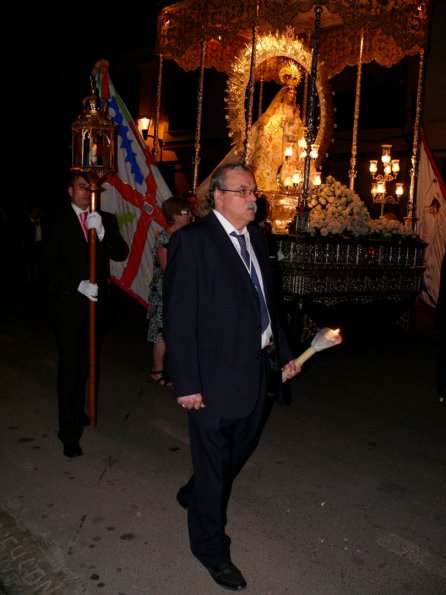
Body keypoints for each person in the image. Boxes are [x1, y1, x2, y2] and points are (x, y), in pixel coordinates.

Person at [163, 162, 300, 591]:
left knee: (238, 449)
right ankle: (210, 548)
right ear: (218, 197)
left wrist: (285, 353)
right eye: (243, 191)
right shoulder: (193, 241)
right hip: (213, 377)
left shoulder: (255, 238)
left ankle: (196, 488)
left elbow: (266, 303)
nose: (252, 197)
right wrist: (186, 382)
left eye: (254, 191)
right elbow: (180, 316)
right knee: (213, 467)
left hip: (257, 370)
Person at [41, 171, 129, 458]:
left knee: (87, 364)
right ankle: (68, 433)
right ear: (70, 191)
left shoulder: (105, 218)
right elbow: (47, 265)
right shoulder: (56, 219)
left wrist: (102, 232)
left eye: (92, 188)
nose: (87, 193)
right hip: (69, 306)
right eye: (82, 187)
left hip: (96, 306)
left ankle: (78, 410)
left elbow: (120, 253)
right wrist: (75, 284)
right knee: (70, 368)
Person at [147, 196, 193, 386]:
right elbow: (169, 269)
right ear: (175, 215)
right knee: (160, 331)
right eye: (186, 212)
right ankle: (157, 370)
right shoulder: (165, 238)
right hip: (165, 292)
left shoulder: (185, 235)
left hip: (180, 291)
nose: (190, 215)